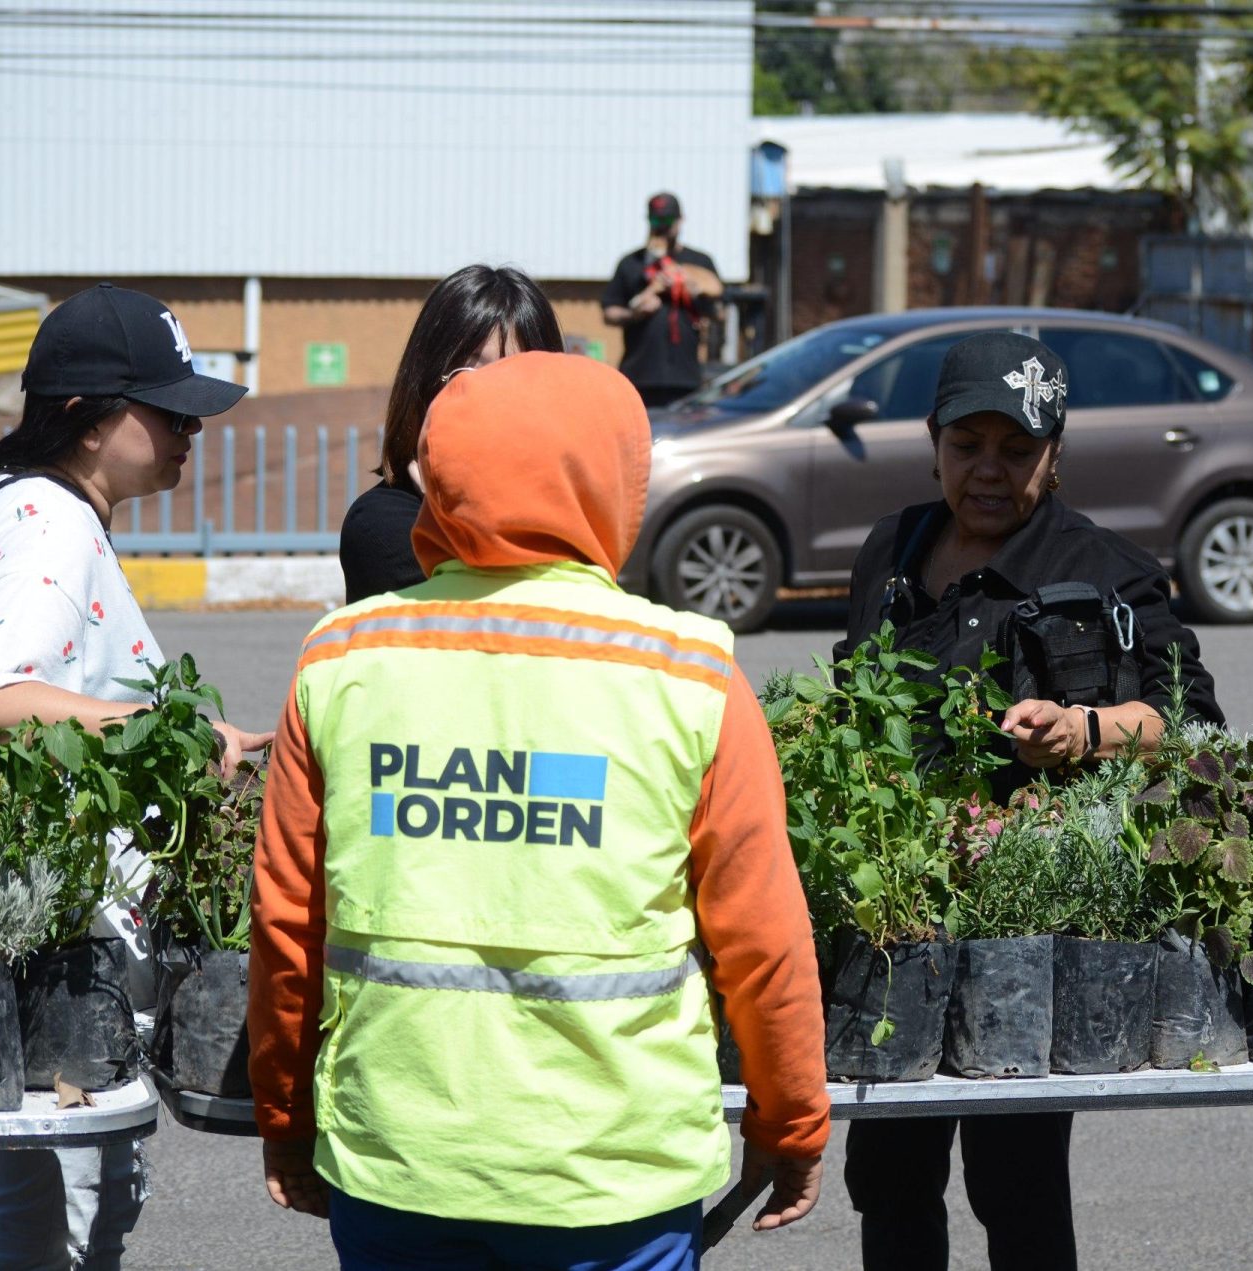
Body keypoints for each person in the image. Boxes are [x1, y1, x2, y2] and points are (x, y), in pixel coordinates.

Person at [250, 352, 829, 1270]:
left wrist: (281, 1112)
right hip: (614, 1176)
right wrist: (789, 1120)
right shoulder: (689, 672)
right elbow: (762, 938)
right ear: (617, 482)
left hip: (402, 1162)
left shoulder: (343, 657)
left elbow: (288, 919)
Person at [834, 330, 1225, 1271]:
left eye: (1017, 449)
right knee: (887, 1172)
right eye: (968, 445)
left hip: (1029, 926)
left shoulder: (1111, 569)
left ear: (1055, 453)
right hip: (897, 913)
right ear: (933, 441)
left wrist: (1085, 732)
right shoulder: (889, 551)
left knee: (1016, 1180)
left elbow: (1195, 721)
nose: (989, 470)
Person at [0, 282, 272, 1270]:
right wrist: (169, 732)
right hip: (64, 934)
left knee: (41, 1209)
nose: (189, 429)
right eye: (167, 409)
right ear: (87, 415)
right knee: (74, 1216)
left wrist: (191, 732)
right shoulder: (51, 526)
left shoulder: (22, 506)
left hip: (35, 919)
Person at [338, 264, 563, 604]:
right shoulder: (385, 523)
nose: (493, 398)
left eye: (519, 376)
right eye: (467, 375)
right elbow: (497, 628)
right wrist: (448, 519)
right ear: (424, 381)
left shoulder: (565, 509)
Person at [600, 192, 724, 407]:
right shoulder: (632, 263)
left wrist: (695, 292)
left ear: (680, 220)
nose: (662, 227)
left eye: (667, 221)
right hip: (639, 375)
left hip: (685, 376)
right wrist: (635, 313)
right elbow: (609, 312)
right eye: (656, 220)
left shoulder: (699, 262)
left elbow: (719, 312)